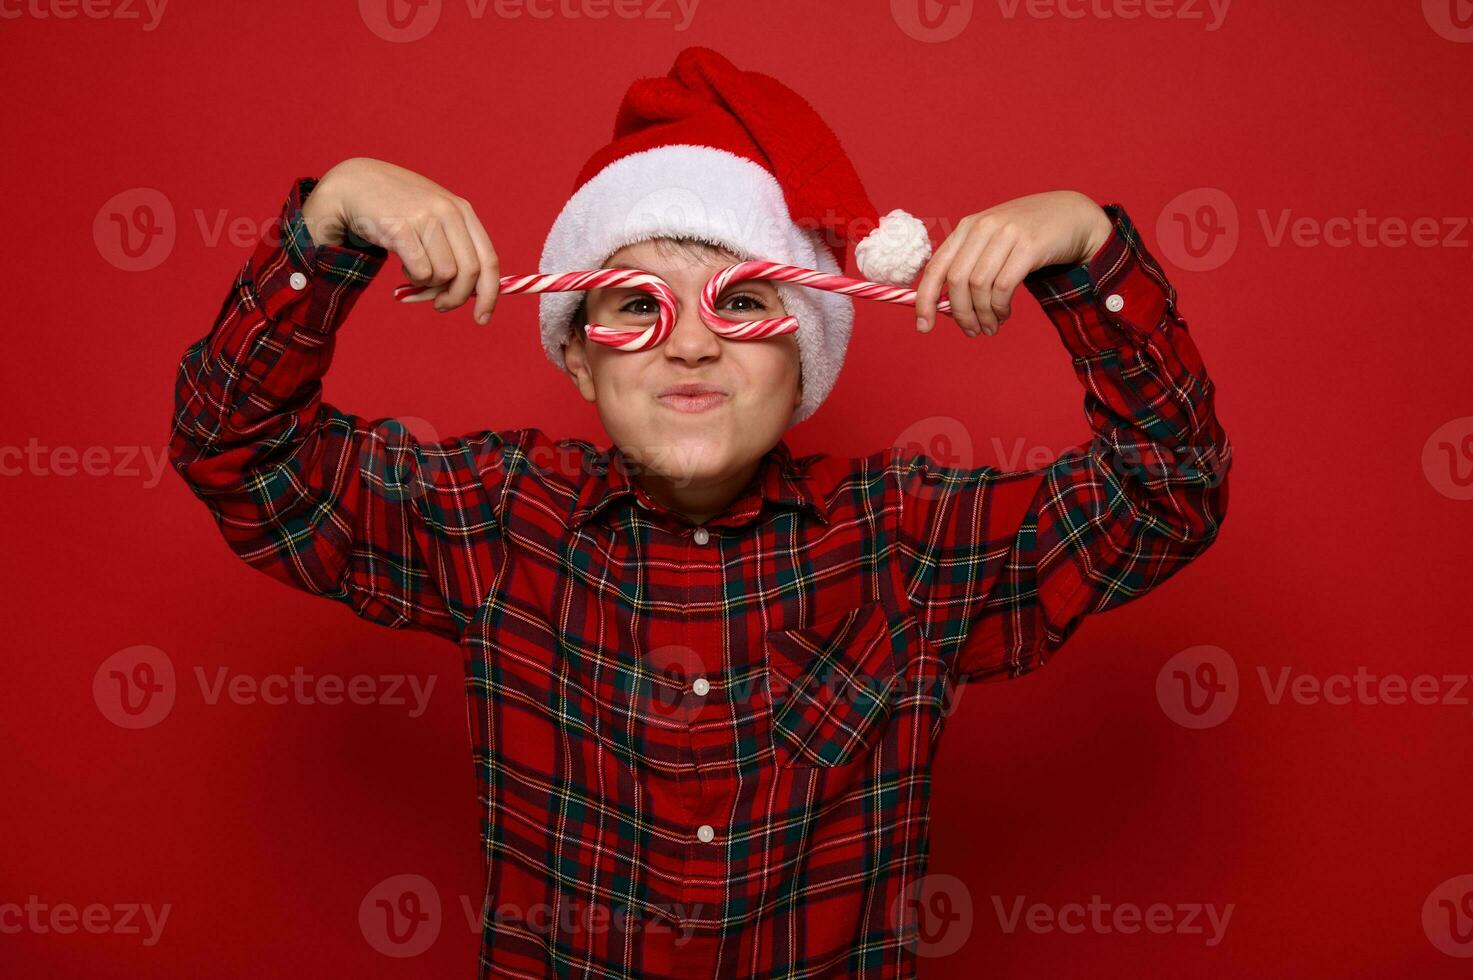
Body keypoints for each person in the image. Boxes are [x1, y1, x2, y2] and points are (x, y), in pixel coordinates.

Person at [169, 45, 1231, 979]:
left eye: (743, 301)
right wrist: (332, 221)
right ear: (580, 358)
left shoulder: (907, 545)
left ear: (805, 350)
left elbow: (1169, 489)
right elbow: (237, 449)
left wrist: (1088, 254)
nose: (689, 343)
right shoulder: (497, 522)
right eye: (638, 305)